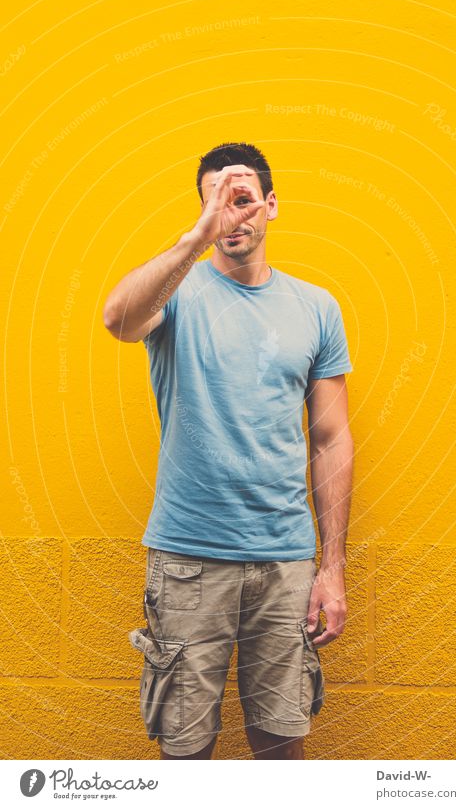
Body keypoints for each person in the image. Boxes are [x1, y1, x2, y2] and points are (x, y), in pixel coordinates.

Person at [103, 142, 354, 760]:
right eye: (215, 200)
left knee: (281, 746)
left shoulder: (315, 307)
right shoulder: (177, 293)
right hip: (190, 560)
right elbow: (117, 319)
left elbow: (331, 439)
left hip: (286, 562)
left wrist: (332, 567)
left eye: (242, 199)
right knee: (185, 753)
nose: (230, 214)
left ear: (271, 206)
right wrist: (195, 237)